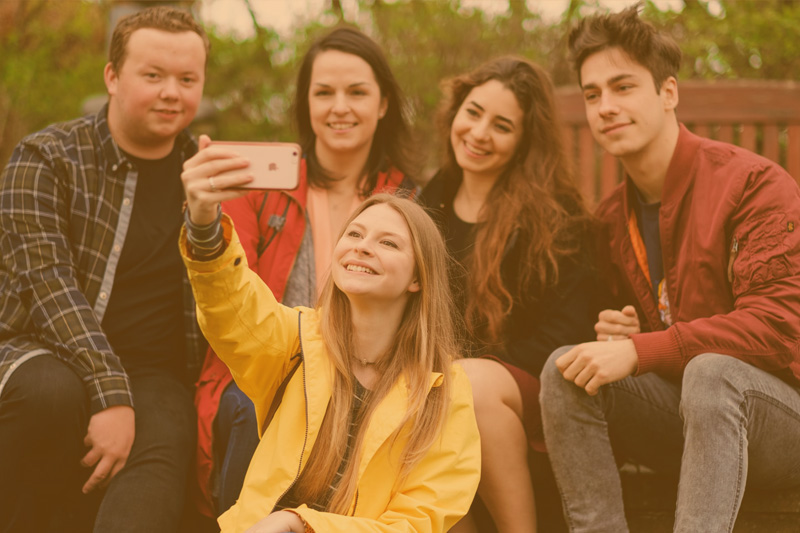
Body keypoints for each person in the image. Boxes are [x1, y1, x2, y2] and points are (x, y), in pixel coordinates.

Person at [539, 5, 800, 532]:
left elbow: (781, 326)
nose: (605, 107)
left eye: (623, 87)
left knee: (711, 373)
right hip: (686, 421)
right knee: (565, 370)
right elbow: (656, 327)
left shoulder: (752, 185)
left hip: (779, 425)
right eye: (593, 95)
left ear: (668, 92)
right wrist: (628, 334)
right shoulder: (611, 219)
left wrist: (643, 350)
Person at [192, 27, 417, 517]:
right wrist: (203, 218)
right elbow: (230, 297)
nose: (340, 107)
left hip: (372, 373)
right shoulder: (259, 189)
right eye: (324, 92)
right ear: (305, 104)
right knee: (254, 409)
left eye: (357, 92)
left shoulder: (409, 202)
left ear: (382, 104)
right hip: (270, 369)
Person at [178, 168, 481, 532]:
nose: (362, 246)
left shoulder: (445, 390)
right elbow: (234, 309)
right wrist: (205, 226)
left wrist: (299, 523)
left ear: (418, 278)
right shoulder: (297, 340)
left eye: (389, 243)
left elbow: (418, 523)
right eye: (354, 233)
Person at [0, 6, 209, 532]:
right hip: (39, 346)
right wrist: (110, 391)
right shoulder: (45, 157)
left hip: (155, 371)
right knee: (52, 393)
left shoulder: (202, 176)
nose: (172, 93)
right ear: (112, 77)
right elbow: (47, 284)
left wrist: (209, 220)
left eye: (187, 79)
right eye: (153, 75)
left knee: (167, 422)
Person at [419, 57, 604, 533]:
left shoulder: (556, 218)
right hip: (442, 389)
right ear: (455, 112)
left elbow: (565, 335)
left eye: (502, 126)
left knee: (465, 386)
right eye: (473, 112)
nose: (479, 133)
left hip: (532, 393)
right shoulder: (429, 200)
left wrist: (469, 368)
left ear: (525, 141)